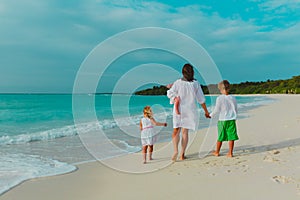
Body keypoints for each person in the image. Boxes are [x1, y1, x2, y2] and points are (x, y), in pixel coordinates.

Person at [167, 63, 210, 161]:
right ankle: (182, 154)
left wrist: (175, 98)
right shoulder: (195, 83)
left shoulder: (178, 82)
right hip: (189, 111)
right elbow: (201, 99)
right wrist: (206, 112)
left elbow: (169, 93)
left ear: (183, 72)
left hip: (178, 110)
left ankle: (175, 151)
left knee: (175, 131)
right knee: (185, 132)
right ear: (192, 73)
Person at [209, 80, 239, 157]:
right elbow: (235, 109)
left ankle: (217, 152)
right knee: (231, 136)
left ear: (220, 89)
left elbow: (217, 110)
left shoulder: (219, 98)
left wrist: (210, 115)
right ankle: (230, 153)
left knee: (220, 137)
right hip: (231, 120)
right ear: (229, 88)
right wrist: (235, 116)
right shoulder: (233, 98)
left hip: (222, 120)